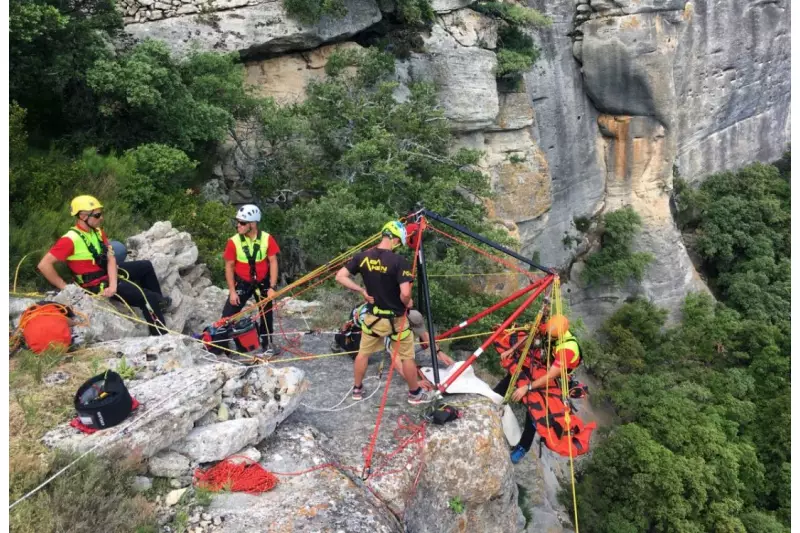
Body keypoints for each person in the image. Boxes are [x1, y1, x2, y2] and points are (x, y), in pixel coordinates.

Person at [38, 195, 170, 336]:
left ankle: (159, 302)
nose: (101, 218)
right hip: (96, 285)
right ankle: (161, 335)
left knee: (145, 266)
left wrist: (113, 284)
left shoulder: (97, 232)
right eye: (97, 215)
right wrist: (65, 287)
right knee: (147, 298)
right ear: (83, 216)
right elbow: (44, 264)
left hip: (107, 275)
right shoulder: (70, 239)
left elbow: (111, 257)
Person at [335, 220, 434, 405]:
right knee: (407, 357)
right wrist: (407, 302)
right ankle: (414, 393)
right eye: (398, 242)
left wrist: (361, 291)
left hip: (373, 318)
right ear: (396, 239)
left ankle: (357, 389)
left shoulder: (362, 257)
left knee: (363, 354)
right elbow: (405, 293)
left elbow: (340, 276)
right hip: (396, 319)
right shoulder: (399, 261)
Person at [506, 314, 582, 463]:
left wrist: (526, 388)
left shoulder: (567, 349)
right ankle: (494, 397)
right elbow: (533, 333)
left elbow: (551, 376)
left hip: (557, 378)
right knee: (515, 373)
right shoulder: (553, 328)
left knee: (537, 411)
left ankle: (523, 447)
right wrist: (512, 349)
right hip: (545, 366)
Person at [220, 204, 280, 356]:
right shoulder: (233, 241)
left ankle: (267, 343)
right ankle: (222, 344)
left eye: (242, 223)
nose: (238, 225)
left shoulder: (267, 239)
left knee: (266, 313)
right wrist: (232, 292)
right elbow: (229, 267)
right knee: (228, 314)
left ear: (252, 224)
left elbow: (273, 262)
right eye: (238, 222)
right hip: (243, 282)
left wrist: (272, 286)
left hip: (263, 281)